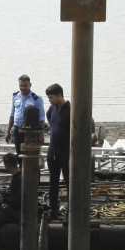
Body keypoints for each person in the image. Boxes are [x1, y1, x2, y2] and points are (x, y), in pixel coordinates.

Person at [45, 84, 71, 217]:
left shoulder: (71, 110)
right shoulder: (52, 109)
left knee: (69, 181)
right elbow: (50, 121)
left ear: (59, 95)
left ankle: (72, 210)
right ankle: (53, 208)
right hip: (52, 151)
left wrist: (71, 155)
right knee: (53, 181)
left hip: (65, 152)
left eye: (51, 97)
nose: (49, 100)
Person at [6, 74, 46, 153]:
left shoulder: (36, 98)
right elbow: (12, 114)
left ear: (30, 85)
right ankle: (20, 165)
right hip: (18, 129)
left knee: (31, 153)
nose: (23, 88)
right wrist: (8, 131)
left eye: (25, 85)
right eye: (21, 85)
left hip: (31, 131)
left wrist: (41, 134)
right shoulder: (15, 96)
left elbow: (41, 117)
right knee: (19, 153)